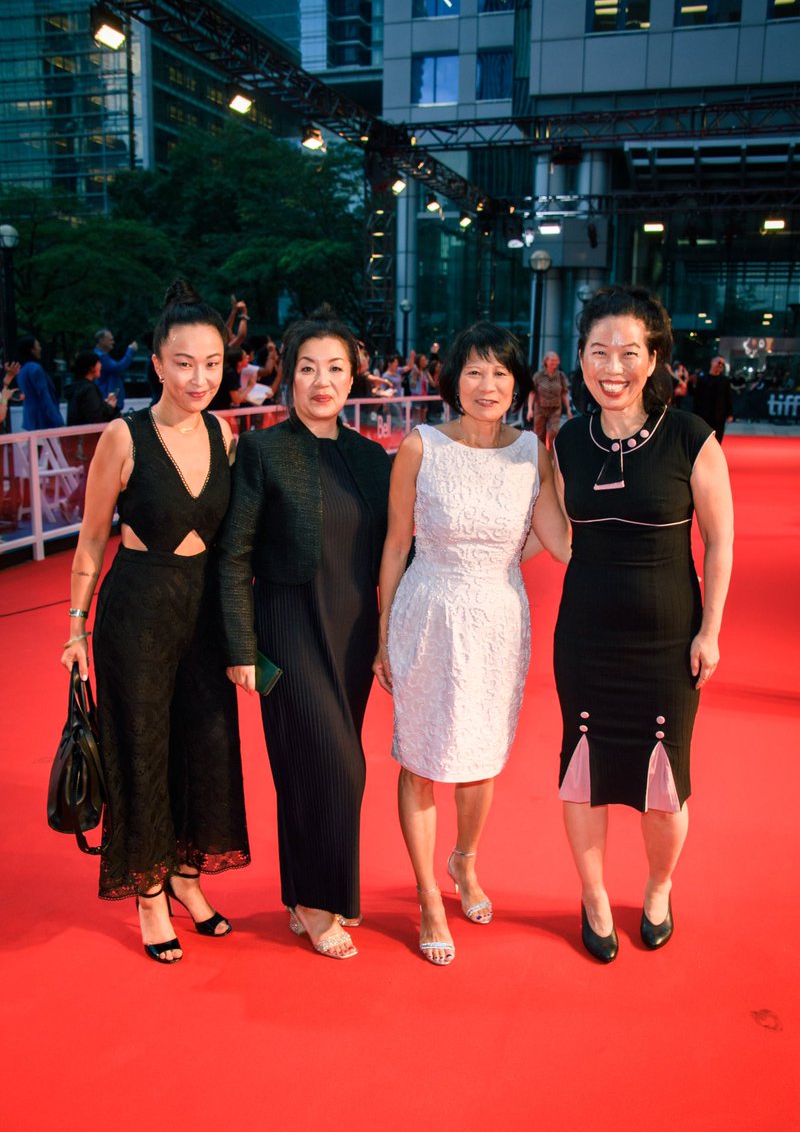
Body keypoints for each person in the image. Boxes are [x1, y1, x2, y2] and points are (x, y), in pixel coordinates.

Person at [61, 280, 250, 964]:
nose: (199, 378)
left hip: (203, 617)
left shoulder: (226, 434)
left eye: (212, 364)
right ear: (157, 361)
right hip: (137, 613)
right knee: (141, 750)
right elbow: (88, 545)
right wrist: (75, 629)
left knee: (206, 747)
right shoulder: (124, 435)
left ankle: (186, 876)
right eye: (183, 363)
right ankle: (148, 893)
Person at [373, 322, 571, 966]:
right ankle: (429, 893)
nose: (488, 385)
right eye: (474, 372)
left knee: (482, 757)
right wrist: (381, 635)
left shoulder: (531, 453)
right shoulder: (420, 446)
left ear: (518, 384)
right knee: (423, 758)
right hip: (427, 613)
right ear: (453, 379)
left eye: (500, 373)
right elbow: (396, 543)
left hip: (498, 620)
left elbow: (560, 540)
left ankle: (464, 861)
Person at [552, 285, 733, 963]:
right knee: (583, 768)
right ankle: (594, 895)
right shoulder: (568, 440)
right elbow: (549, 526)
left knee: (665, 784)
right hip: (586, 639)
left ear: (654, 358)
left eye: (629, 352)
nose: (613, 366)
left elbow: (720, 541)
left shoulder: (691, 437)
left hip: (666, 641)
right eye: (599, 351)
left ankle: (658, 887)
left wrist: (709, 630)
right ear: (581, 358)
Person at [218, 308, 391, 961]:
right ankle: (322, 905)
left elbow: (396, 551)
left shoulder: (372, 459)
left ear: (355, 377)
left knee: (308, 771)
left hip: (351, 631)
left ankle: (300, 894)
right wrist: (239, 648)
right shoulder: (263, 450)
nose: (323, 381)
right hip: (283, 627)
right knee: (336, 767)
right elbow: (234, 553)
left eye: (336, 368)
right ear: (288, 376)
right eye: (308, 368)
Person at [62, 351, 121, 522]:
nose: (101, 366)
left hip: (80, 440)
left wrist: (105, 405)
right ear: (91, 367)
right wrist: (109, 407)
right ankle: (81, 511)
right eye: (98, 363)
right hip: (89, 441)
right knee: (92, 476)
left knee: (89, 475)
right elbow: (95, 417)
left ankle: (71, 505)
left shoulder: (78, 388)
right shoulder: (88, 388)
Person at [526, 350, 572, 450]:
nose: (555, 363)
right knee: (539, 434)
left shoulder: (560, 376)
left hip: (555, 409)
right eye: (552, 360)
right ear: (546, 361)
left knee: (553, 433)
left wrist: (568, 409)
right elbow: (532, 392)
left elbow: (564, 392)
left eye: (556, 360)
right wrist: (530, 409)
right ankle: (539, 456)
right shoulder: (538, 375)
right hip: (540, 408)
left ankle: (551, 458)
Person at [17, 336, 63, 430]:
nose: (40, 348)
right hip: (42, 419)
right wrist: (57, 419)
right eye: (37, 346)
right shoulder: (35, 368)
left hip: (30, 417)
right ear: (31, 350)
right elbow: (44, 395)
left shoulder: (22, 369)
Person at [94, 329, 138, 411]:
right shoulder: (102, 357)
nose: (113, 342)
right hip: (108, 400)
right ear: (101, 340)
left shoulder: (101, 356)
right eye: (110, 339)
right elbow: (118, 368)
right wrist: (130, 351)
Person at [693, 355, 734, 442]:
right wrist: (695, 413)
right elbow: (697, 397)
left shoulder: (725, 380)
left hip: (719, 416)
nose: (720, 365)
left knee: (718, 439)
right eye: (719, 362)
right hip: (704, 415)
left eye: (722, 364)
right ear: (712, 362)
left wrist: (730, 413)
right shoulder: (702, 379)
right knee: (703, 439)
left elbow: (728, 397)